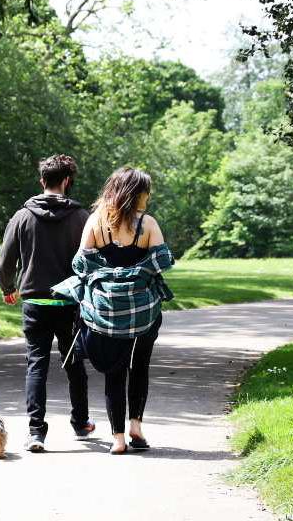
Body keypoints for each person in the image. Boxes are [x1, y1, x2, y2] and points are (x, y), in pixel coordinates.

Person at [52, 166, 174, 455]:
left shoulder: (96, 222)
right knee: (139, 367)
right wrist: (136, 272)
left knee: (114, 373)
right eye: (146, 191)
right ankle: (136, 427)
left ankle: (118, 439)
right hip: (143, 311)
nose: (149, 196)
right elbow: (162, 261)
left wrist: (108, 274)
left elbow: (80, 264)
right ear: (135, 194)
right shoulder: (148, 224)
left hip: (105, 313)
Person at [0, 154, 94, 453]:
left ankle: (36, 431)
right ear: (67, 181)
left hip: (35, 301)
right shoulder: (81, 218)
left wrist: (8, 287)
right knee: (73, 362)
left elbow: (6, 260)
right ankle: (80, 422)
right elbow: (91, 260)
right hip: (68, 302)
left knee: (36, 364)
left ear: (42, 180)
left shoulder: (22, 216)